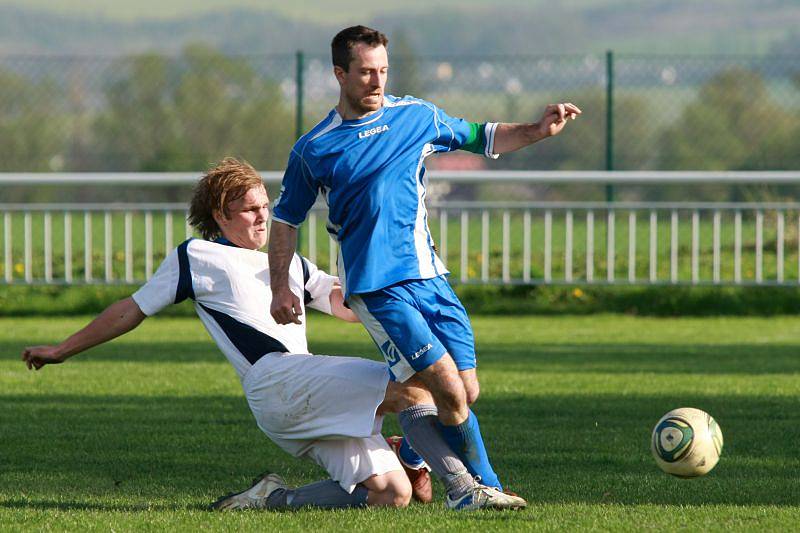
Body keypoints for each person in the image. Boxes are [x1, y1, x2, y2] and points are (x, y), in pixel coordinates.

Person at [21, 158, 524, 511]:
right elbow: (131, 310)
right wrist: (63, 349)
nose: (264, 215)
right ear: (220, 216)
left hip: (294, 392)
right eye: (250, 208)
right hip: (277, 380)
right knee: (416, 389)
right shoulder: (196, 257)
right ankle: (468, 489)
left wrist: (398, 288)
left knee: (391, 494)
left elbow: (347, 305)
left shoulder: (288, 264)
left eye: (266, 205)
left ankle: (272, 499)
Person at [268, 25, 581, 494]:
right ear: (340, 74)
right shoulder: (315, 148)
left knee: (466, 392)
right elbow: (286, 221)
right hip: (376, 288)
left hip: (431, 278)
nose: (377, 82)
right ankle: (481, 487)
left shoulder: (416, 116)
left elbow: (481, 136)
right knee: (448, 391)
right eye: (366, 72)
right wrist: (279, 286)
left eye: (383, 72)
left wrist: (537, 130)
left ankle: (412, 453)